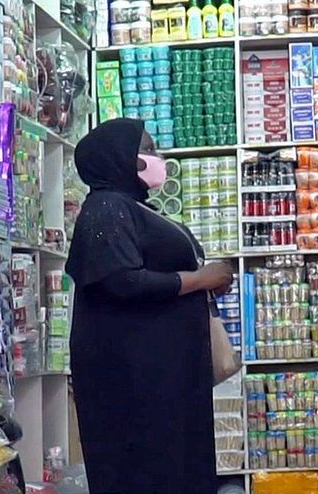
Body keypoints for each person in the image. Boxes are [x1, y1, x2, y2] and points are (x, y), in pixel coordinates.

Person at [65, 118, 234, 494]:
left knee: (175, 463)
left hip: (162, 370)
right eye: (147, 149)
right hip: (134, 374)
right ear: (120, 157)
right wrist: (199, 280)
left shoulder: (134, 206)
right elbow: (121, 281)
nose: (156, 157)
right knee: (146, 467)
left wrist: (201, 286)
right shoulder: (106, 208)